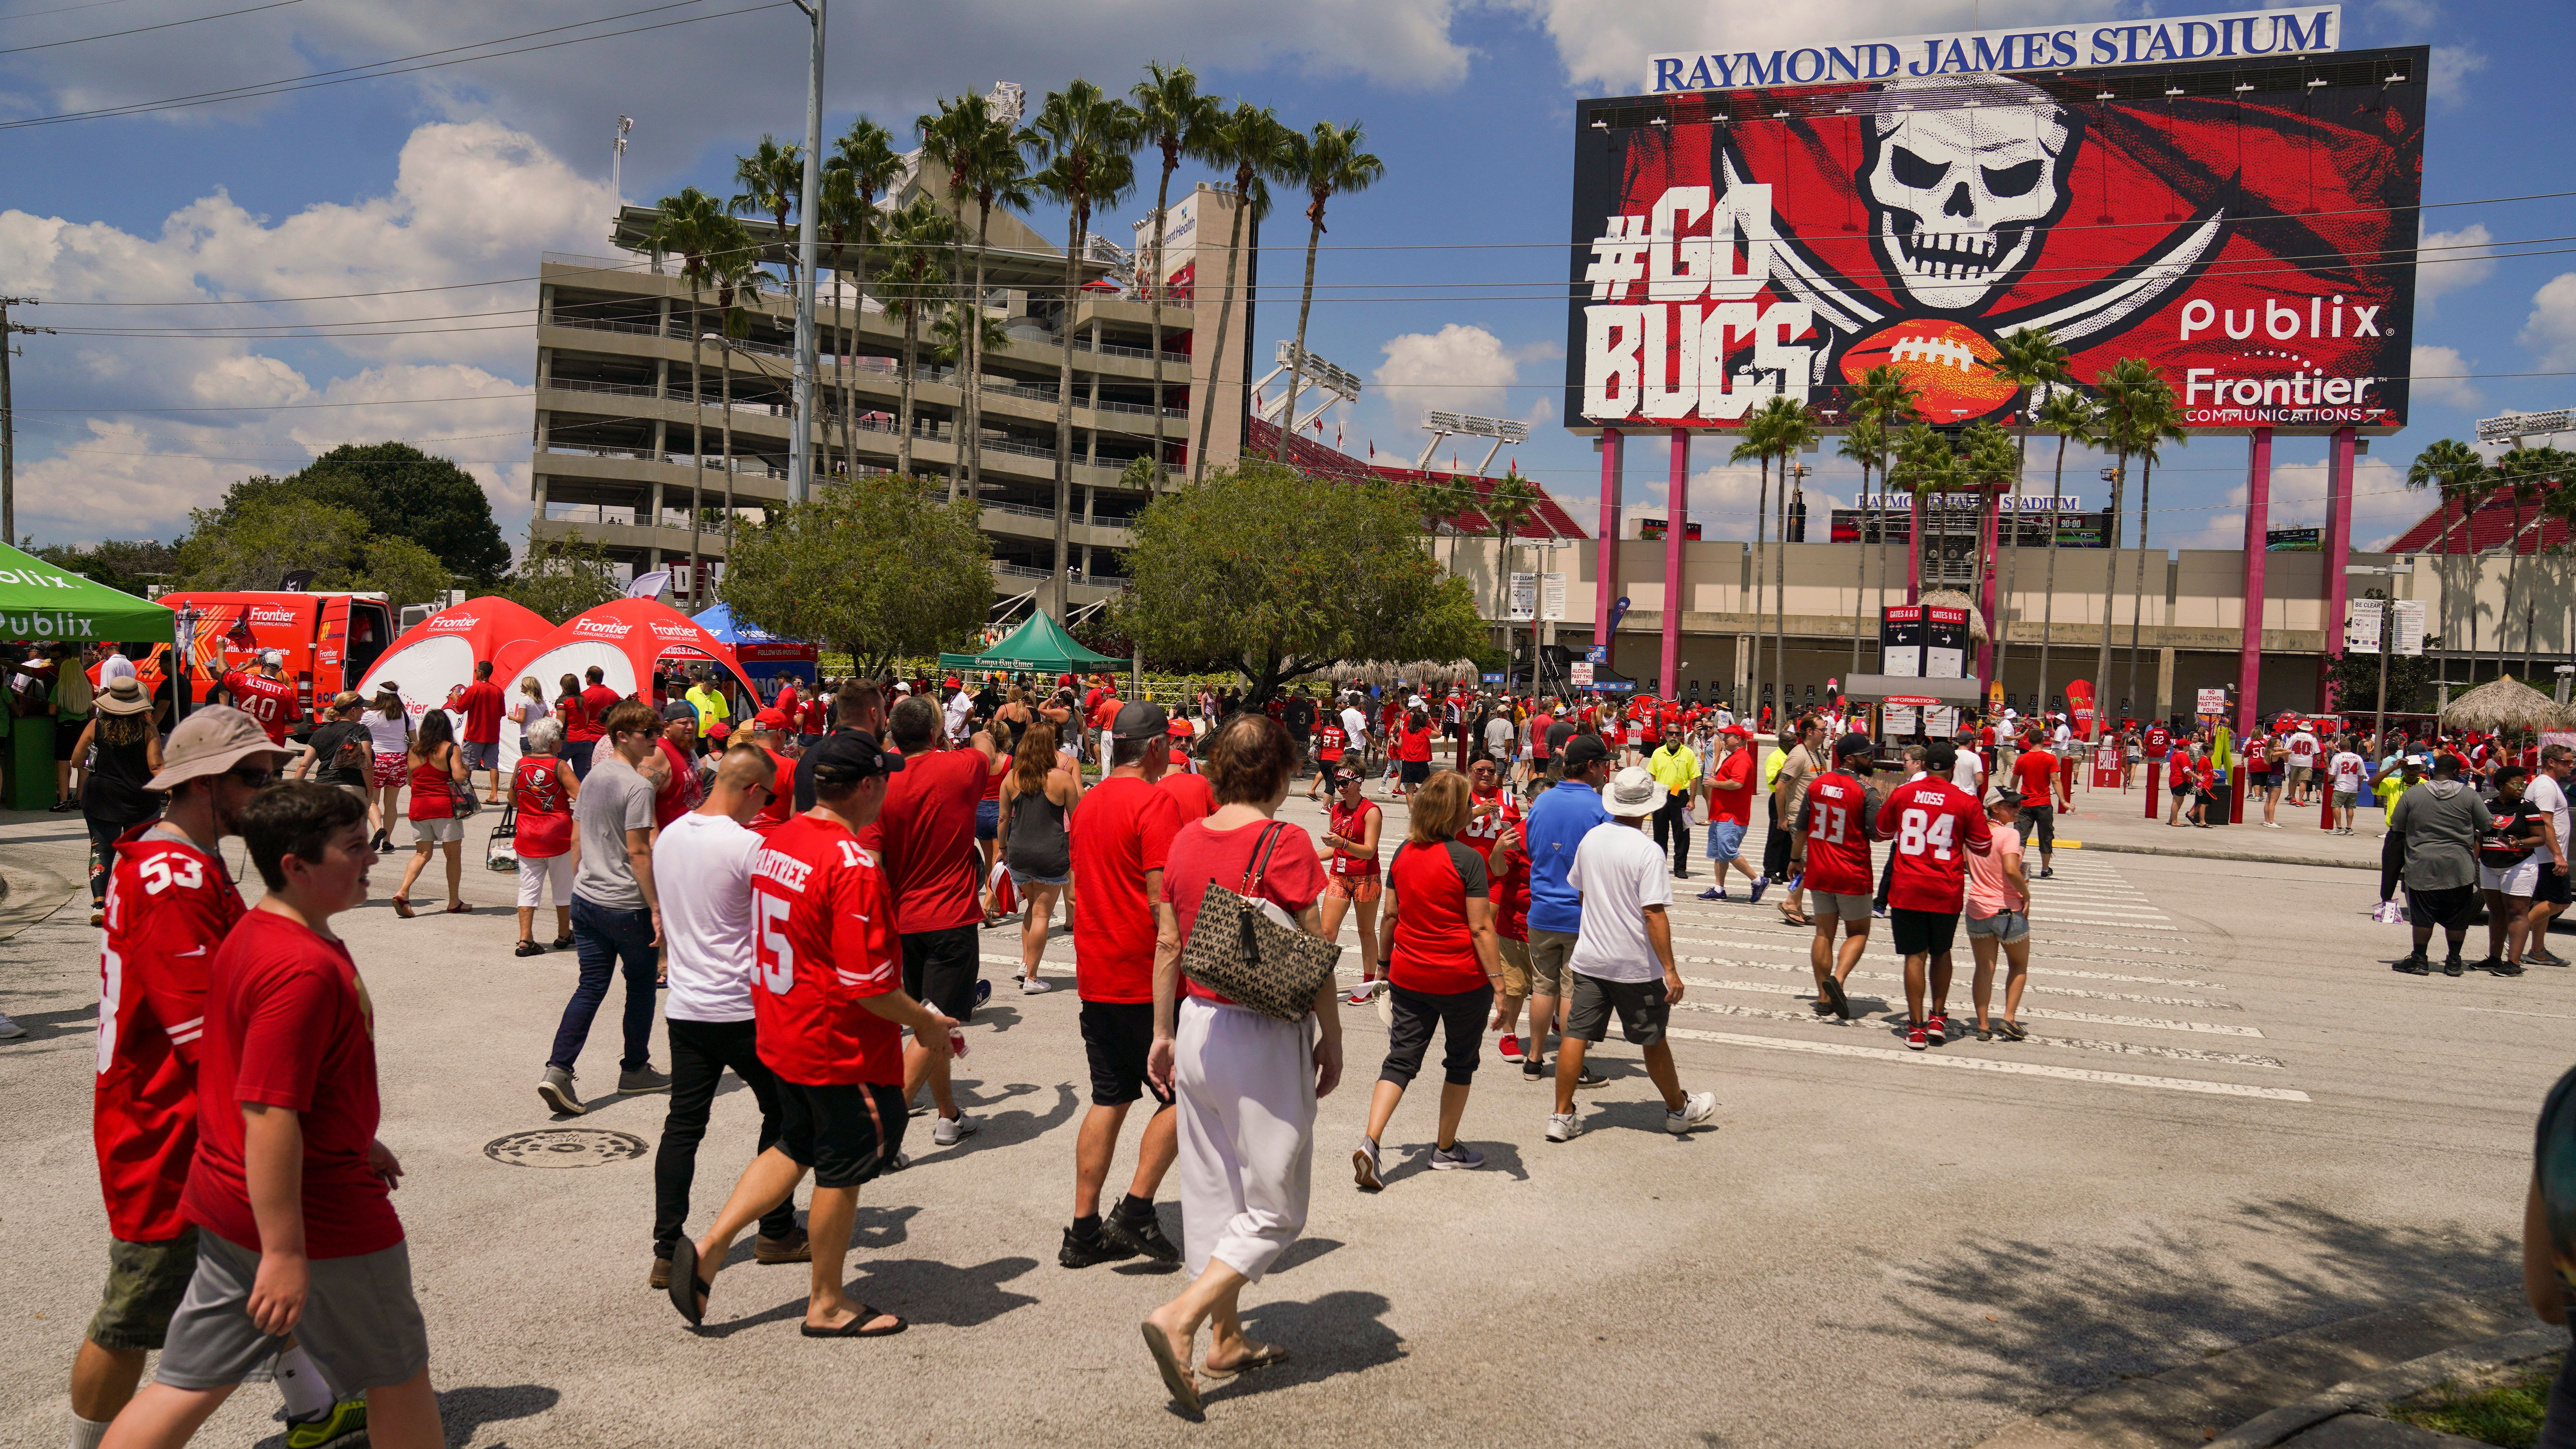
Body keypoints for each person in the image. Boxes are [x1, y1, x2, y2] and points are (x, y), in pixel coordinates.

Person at [100, 784, 444, 1449]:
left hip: (228, 1196)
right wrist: (286, 1251)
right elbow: (268, 1108)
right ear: (297, 864)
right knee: (398, 1373)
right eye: (353, 847)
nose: (371, 856)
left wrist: (356, 1134)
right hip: (319, 1212)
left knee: (185, 1381)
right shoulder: (302, 968)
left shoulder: (258, 930)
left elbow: (266, 1075)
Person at [72, 713, 365, 1449]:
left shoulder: (187, 858)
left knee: (260, 1270)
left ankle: (312, 1405)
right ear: (205, 785)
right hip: (166, 1131)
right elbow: (212, 1038)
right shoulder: (173, 877)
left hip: (187, 1123)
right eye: (255, 779)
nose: (268, 792)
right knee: (132, 1318)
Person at [666, 731, 958, 1338]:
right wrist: (926, 1021)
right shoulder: (850, 863)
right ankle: (826, 1302)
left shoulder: (776, 839)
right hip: (835, 1043)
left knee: (794, 1143)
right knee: (841, 1168)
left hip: (782, 1026)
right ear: (869, 786)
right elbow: (868, 984)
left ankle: (713, 1244)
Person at [1141, 714, 1341, 1413]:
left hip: (1196, 1024)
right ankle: (1184, 1316)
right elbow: (1314, 947)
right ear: (1282, 773)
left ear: (1218, 770)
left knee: (1212, 1188)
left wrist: (1161, 1031)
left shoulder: (1186, 838)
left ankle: (1225, 1339)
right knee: (1277, 1205)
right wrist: (1333, 1034)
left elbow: (1168, 942)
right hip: (1259, 1030)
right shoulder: (1284, 840)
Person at [648, 746, 808, 1292]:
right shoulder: (749, 846)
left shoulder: (670, 834)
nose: (765, 806)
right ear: (749, 788)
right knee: (788, 1116)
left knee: (683, 1125)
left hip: (687, 1006)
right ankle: (777, 1226)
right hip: (743, 1007)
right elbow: (783, 925)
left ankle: (667, 1249)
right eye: (767, 795)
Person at [1059, 699, 1188, 1270]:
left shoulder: (1090, 802)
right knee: (1191, 1096)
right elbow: (1163, 900)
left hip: (1097, 970)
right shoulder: (1155, 800)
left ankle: (1082, 1228)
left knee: (1109, 1096)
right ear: (1157, 747)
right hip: (1145, 976)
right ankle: (1136, 1208)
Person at [1545, 765, 1720, 1143]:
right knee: (1652, 1038)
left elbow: (1580, 893)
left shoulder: (1592, 839)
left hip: (1590, 957)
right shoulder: (1647, 850)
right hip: (1634, 965)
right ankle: (1677, 1109)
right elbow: (1653, 913)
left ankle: (1561, 1115)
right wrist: (1670, 970)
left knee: (1575, 1035)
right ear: (1648, 807)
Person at [1352, 770, 1505, 1188]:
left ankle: (1371, 1141)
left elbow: (1389, 916)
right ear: (1457, 812)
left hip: (1409, 975)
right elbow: (1480, 929)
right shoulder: (1468, 859)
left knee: (1400, 1060)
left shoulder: (1403, 853)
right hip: (1461, 979)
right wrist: (1500, 985)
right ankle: (1444, 1148)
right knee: (1460, 1061)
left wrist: (1383, 967)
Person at [861, 696, 999, 1146]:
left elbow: (872, 861)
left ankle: (949, 1114)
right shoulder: (962, 767)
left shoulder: (880, 784)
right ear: (937, 731)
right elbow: (988, 747)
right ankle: (883, 1131)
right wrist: (966, 727)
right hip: (951, 920)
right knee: (935, 1025)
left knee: (933, 1021)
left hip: (905, 922)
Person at [539, 699, 672, 1113]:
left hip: (588, 899)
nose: (655, 739)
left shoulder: (594, 776)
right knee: (640, 988)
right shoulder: (637, 786)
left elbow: (579, 837)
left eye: (657, 732)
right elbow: (639, 851)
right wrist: (656, 908)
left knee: (591, 987)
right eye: (647, 733)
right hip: (626, 905)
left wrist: (581, 878)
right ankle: (634, 1069)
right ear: (622, 737)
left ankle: (558, 1070)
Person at [1874, 742, 1994, 1051]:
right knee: (1941, 952)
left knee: (1914, 955)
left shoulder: (1903, 793)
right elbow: (1982, 847)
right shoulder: (1964, 800)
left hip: (1907, 885)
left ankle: (1915, 1028)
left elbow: (1883, 832)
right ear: (1954, 769)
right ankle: (1938, 1018)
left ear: (1925, 765)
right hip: (1945, 887)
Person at [1522, 734, 1613, 1085]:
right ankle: (1570, 1064)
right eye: (1603, 764)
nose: (1606, 770)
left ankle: (1533, 1060)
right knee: (1572, 991)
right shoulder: (1597, 807)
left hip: (1542, 909)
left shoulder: (1541, 802)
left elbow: (1532, 849)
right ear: (1590, 767)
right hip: (1579, 913)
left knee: (1542, 988)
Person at [1798, 733, 1882, 1021]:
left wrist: (1795, 860)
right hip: (1852, 872)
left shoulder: (1817, 784)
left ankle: (1823, 998)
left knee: (1823, 933)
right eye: (1866, 754)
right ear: (1849, 759)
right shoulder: (1867, 791)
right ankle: (1839, 979)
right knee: (1858, 932)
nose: (1870, 758)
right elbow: (1877, 833)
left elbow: (1801, 827)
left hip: (1820, 869)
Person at [74, 677, 166, 925]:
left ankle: (99, 904)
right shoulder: (148, 730)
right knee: (139, 853)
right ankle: (135, 904)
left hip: (101, 797)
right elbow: (156, 765)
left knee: (101, 849)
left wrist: (93, 763)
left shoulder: (96, 725)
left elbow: (76, 760)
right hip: (141, 800)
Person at [998, 720, 1079, 995]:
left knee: (1031, 908)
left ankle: (1025, 963)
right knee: (1043, 913)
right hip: (1051, 852)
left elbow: (1003, 818)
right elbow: (1077, 819)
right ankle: (1033, 977)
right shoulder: (1062, 778)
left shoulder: (1012, 777)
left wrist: (1004, 848)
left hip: (1019, 850)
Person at [1966, 789, 2033, 1041]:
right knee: (2019, 965)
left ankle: (1983, 1025)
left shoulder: (1974, 834)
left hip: (1976, 907)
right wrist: (2026, 895)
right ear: (1995, 807)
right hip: (2006, 909)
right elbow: (2011, 869)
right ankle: (2009, 1018)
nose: (2018, 809)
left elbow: (1967, 865)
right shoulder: (2010, 834)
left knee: (1984, 968)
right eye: (2012, 805)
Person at [388, 709, 469, 919]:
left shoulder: (414, 750)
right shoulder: (451, 749)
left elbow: (410, 781)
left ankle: (403, 891)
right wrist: (467, 770)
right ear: (446, 728)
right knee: (453, 856)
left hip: (419, 807)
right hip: (444, 807)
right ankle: (454, 902)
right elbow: (459, 777)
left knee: (422, 854)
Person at [509, 718, 580, 957]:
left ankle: (525, 938)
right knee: (563, 886)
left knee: (528, 887)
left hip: (528, 834)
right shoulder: (560, 765)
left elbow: (512, 799)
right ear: (552, 742)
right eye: (560, 737)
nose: (563, 741)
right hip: (557, 834)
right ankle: (563, 934)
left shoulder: (521, 763)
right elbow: (579, 795)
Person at [1318, 767, 1387, 1005]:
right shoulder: (1336, 809)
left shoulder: (1371, 812)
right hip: (1339, 875)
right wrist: (1310, 855)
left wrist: (1343, 843)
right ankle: (1318, 985)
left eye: (1345, 782)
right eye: (1336, 781)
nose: (1340, 786)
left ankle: (1369, 987)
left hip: (1366, 878)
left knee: (1366, 931)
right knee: (1327, 932)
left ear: (1358, 783)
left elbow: (1369, 851)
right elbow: (1334, 848)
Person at [2478, 765, 2555, 976]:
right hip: (2489, 865)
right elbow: (2478, 836)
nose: (2522, 787)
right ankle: (2494, 958)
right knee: (2496, 912)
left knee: (2517, 913)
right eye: (2517, 784)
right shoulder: (2486, 805)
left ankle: (2513, 963)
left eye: (2524, 784)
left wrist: (2519, 843)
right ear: (2502, 785)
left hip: (2519, 865)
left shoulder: (2527, 807)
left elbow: (2540, 838)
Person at [1698, 726, 1765, 903]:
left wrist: (1716, 783)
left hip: (1732, 815)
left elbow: (1738, 783)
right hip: (1722, 814)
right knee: (1720, 854)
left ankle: (1758, 880)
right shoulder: (1734, 756)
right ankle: (1719, 889)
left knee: (1728, 851)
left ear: (1738, 739)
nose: (1724, 739)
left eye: (1728, 736)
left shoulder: (1742, 758)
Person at [1770, 717, 1823, 928]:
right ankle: (1790, 901)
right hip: (1798, 818)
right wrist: (1782, 817)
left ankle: (1797, 906)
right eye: (1822, 729)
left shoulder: (1818, 755)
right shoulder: (1798, 755)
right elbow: (1781, 787)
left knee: (1805, 864)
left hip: (1813, 818)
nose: (1826, 732)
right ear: (1810, 731)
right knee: (1811, 863)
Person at [2525, 746, 2573, 966]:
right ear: (2552, 762)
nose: (2571, 765)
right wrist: (2558, 855)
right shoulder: (2545, 785)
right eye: (2567, 762)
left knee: (2544, 902)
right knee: (2560, 901)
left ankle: (2538, 950)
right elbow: (2545, 822)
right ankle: (2514, 931)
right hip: (2547, 856)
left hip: (2546, 856)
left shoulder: (2548, 785)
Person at [1647, 722, 1699, 880]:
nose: (1674, 737)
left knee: (1682, 834)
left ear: (1681, 735)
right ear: (1666, 735)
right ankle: (1660, 867)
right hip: (1661, 797)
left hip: (1680, 797)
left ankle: (1680, 868)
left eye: (1677, 734)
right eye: (1671, 733)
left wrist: (1692, 800)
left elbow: (1694, 777)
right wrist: (1653, 794)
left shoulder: (1688, 753)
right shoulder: (1658, 753)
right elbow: (1652, 774)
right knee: (1660, 834)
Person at [362, 685, 411, 852]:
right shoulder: (405, 715)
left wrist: (369, 705)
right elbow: (415, 741)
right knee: (391, 803)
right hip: (399, 760)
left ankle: (378, 830)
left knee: (372, 801)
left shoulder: (369, 716)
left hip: (378, 759)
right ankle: (387, 840)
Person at [215, 648, 294, 747]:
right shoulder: (285, 675)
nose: (258, 659)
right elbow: (291, 694)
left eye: (260, 657)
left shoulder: (253, 671)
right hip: (271, 730)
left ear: (264, 660)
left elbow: (230, 677)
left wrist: (248, 665)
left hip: (250, 731)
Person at [2009, 731, 2062, 880]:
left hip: (2025, 803)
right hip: (2044, 803)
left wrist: (2013, 798)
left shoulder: (2022, 759)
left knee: (2020, 837)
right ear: (2044, 740)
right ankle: (2045, 870)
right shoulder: (2050, 758)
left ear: (2028, 741)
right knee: (2045, 836)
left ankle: (2017, 868)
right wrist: (2064, 801)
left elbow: (2014, 780)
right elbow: (2056, 781)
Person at [455, 661, 508, 804]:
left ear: (481, 673)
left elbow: (460, 708)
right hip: (492, 734)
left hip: (476, 734)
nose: (475, 672)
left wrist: (456, 699)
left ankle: (466, 796)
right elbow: (502, 713)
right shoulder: (498, 691)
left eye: (476, 670)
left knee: (468, 765)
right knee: (493, 765)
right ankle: (494, 795)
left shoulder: (475, 690)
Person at [2327, 738, 2369, 835]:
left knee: (2336, 806)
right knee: (2350, 808)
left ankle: (2339, 827)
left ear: (2340, 748)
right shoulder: (2358, 758)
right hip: (2353, 787)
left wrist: (2329, 781)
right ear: (2350, 747)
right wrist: (2359, 785)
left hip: (2341, 786)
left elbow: (2332, 773)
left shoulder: (2337, 758)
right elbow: (2362, 774)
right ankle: (2349, 828)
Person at [682, 671, 731, 754]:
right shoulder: (692, 692)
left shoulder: (719, 696)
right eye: (710, 686)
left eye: (714, 686)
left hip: (713, 737)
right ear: (704, 682)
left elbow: (724, 717)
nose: (712, 689)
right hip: (696, 736)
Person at [509, 676, 547, 758]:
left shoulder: (524, 700)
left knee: (529, 763)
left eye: (523, 685)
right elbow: (548, 718)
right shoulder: (542, 701)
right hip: (539, 736)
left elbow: (521, 719)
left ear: (528, 687)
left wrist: (512, 717)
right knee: (539, 762)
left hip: (527, 736)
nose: (521, 686)